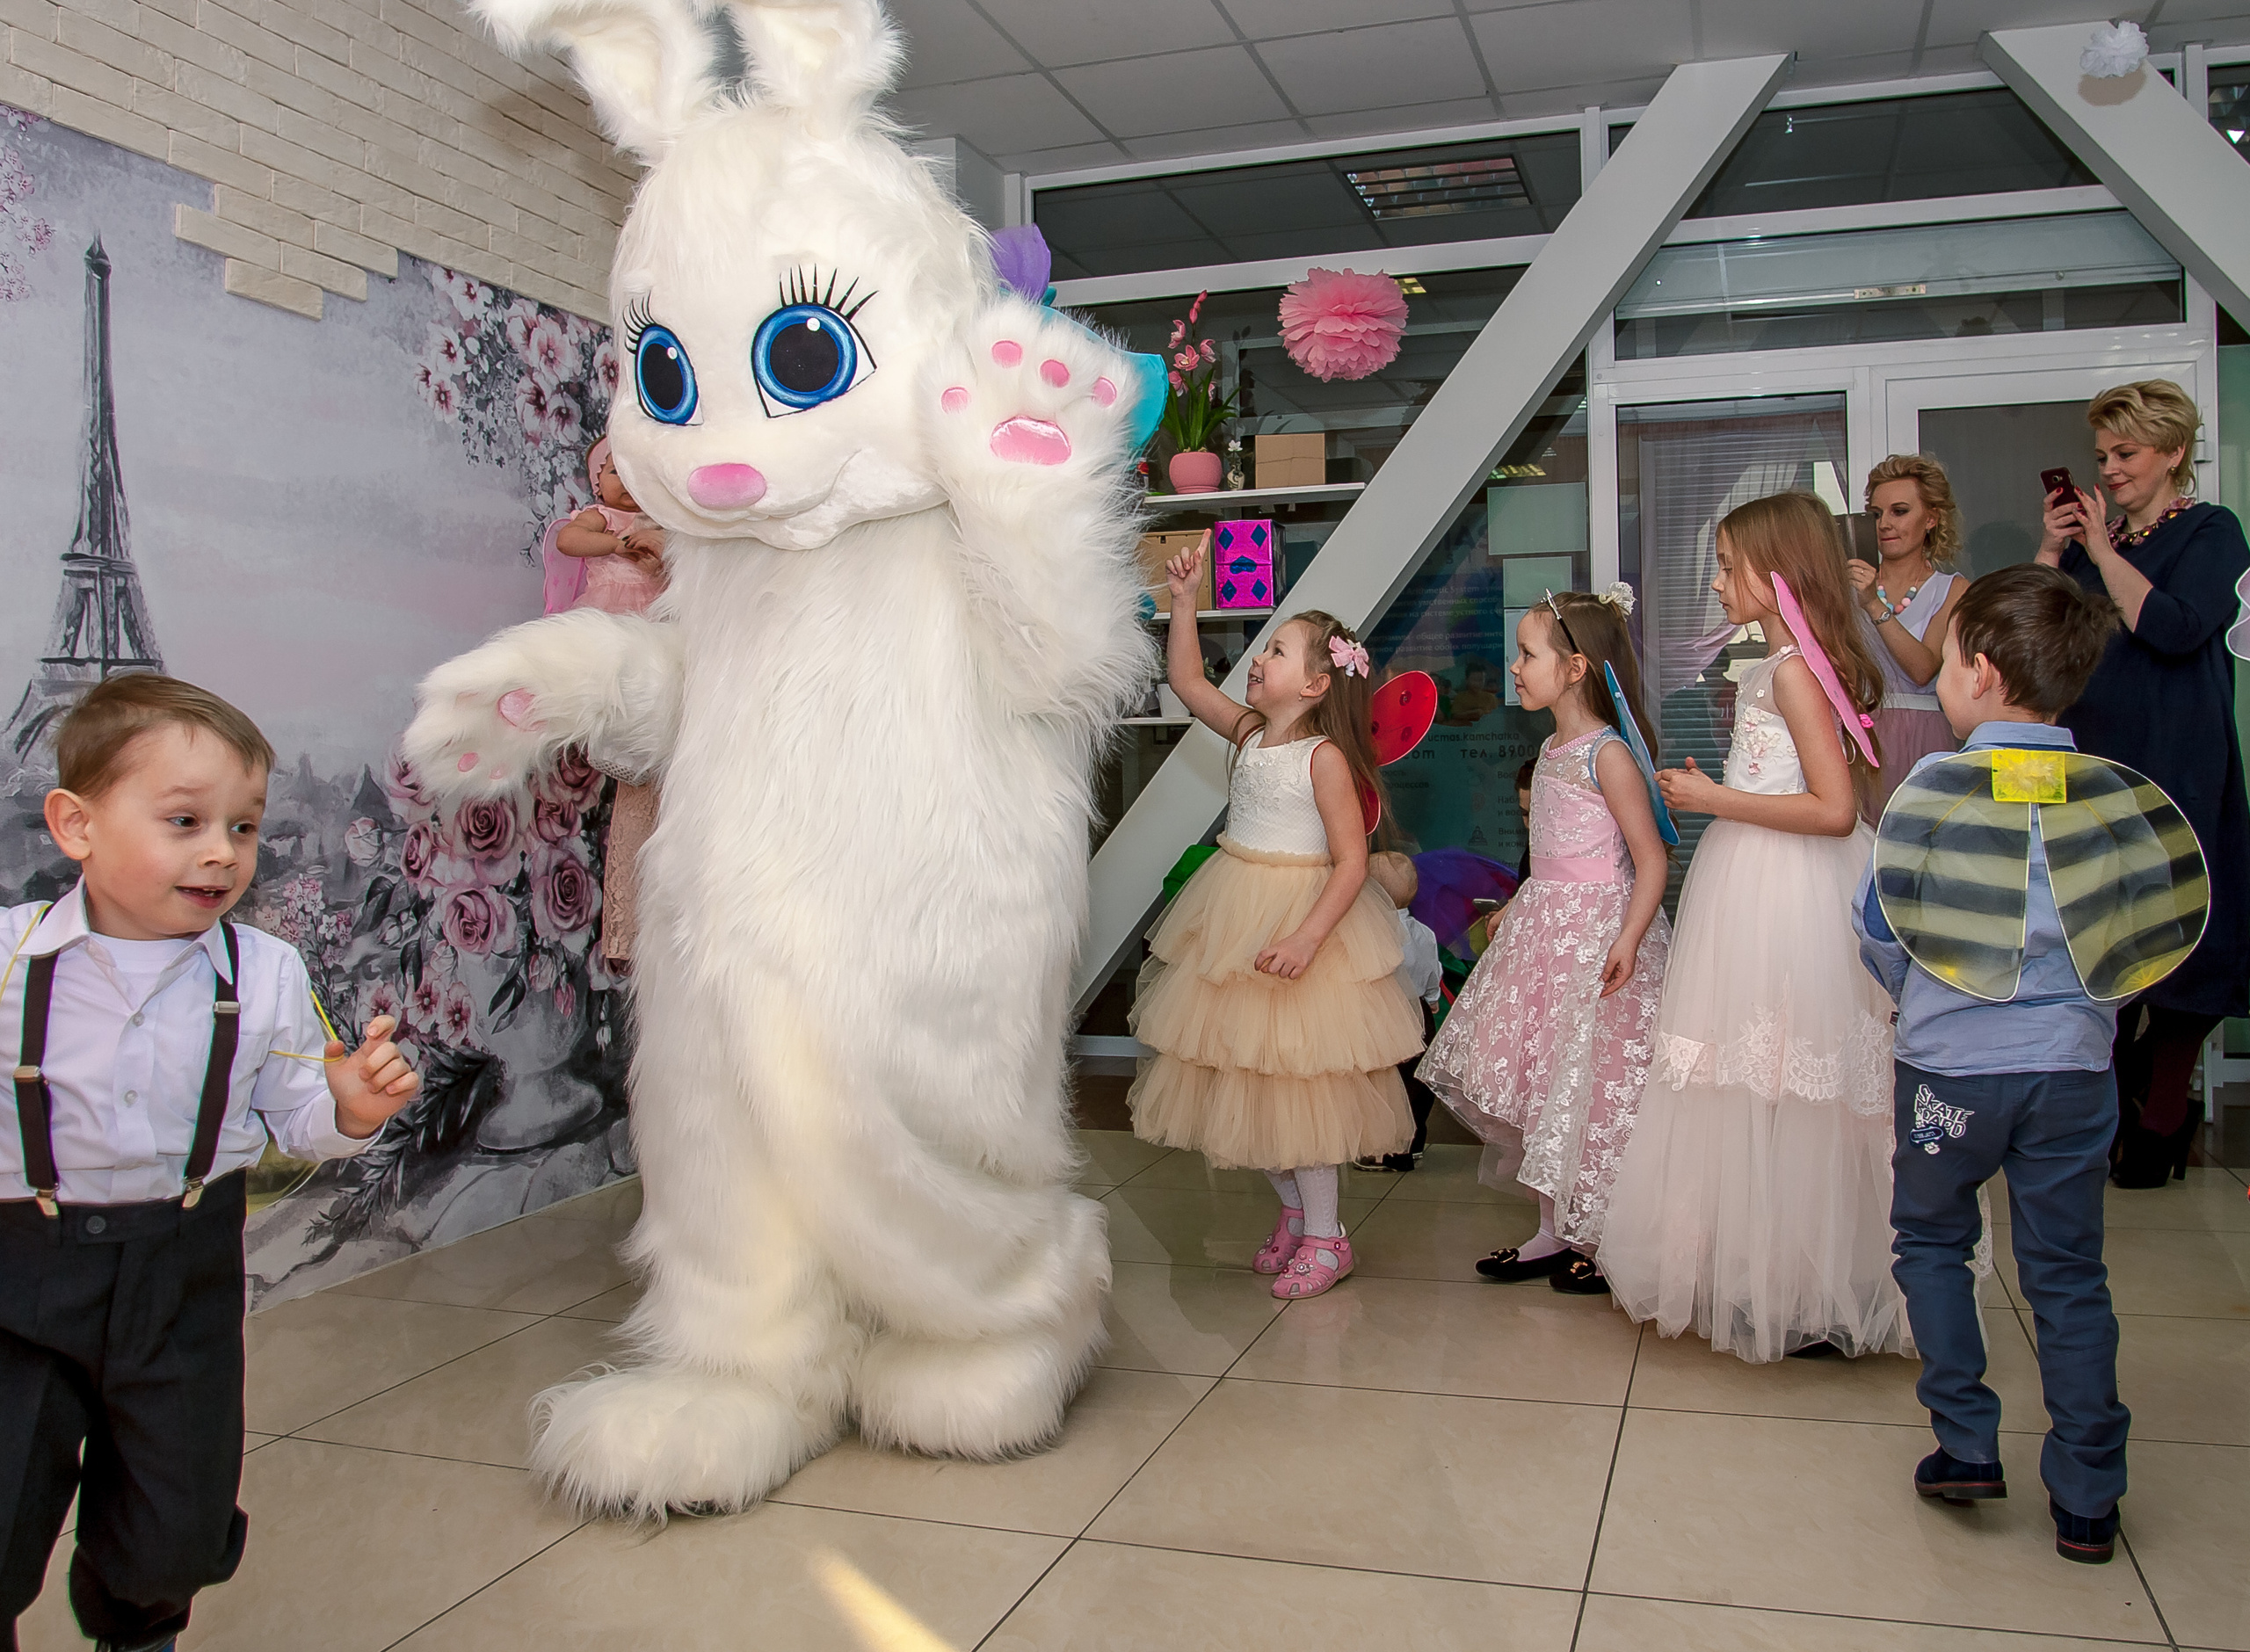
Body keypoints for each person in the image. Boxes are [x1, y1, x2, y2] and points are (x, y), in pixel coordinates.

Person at [3, 675, 421, 1652]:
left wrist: (352, 1107)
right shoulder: (12, 957)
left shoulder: (266, 972)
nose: (221, 852)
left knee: (175, 1517)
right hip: (19, 1266)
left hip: (181, 1262)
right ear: (76, 824)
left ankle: (139, 1630)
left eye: (242, 826)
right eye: (185, 819)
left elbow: (300, 1114)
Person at [1856, 565, 2149, 1565]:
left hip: (1949, 1069)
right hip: (2072, 1069)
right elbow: (2138, 931)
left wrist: (1913, 991)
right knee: (2068, 1273)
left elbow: (1881, 926)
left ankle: (1966, 1442)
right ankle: (2087, 1495)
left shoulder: (1931, 789)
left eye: (1940, 659)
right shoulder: (2109, 792)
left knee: (1934, 1244)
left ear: (1979, 671)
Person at [1598, 492, 1907, 1362]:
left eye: (1729, 564)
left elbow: (1836, 809)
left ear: (1776, 576)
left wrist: (1709, 798)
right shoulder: (1774, 665)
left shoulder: (1792, 673)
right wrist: (1725, 790)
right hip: (1760, 874)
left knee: (1788, 1078)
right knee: (1759, 1077)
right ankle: (1770, 1273)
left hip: (1786, 889)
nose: (1717, 581)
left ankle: (1805, 1287)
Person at [1129, 539, 1423, 1301]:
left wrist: (1305, 937)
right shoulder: (1251, 735)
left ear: (1318, 683)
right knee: (1241, 1080)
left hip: (1303, 921)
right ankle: (1292, 1214)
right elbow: (1188, 680)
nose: (1259, 661)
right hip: (1234, 915)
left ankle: (1329, 1237)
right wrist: (1186, 603)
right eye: (1263, 650)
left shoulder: (1324, 757)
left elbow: (1352, 862)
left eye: (1278, 652)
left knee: (1301, 1092)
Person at [1419, 588, 1673, 1295]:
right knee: (1544, 1082)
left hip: (1596, 938)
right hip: (1544, 934)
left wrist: (1629, 937)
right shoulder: (1550, 748)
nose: (1515, 669)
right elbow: (1554, 854)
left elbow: (1648, 859)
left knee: (1593, 1086)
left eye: (1528, 655)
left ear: (1575, 668)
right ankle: (1553, 1230)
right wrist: (1521, 900)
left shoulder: (1608, 755)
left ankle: (1602, 1233)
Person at [2036, 380, 2250, 1186]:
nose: (2110, 470)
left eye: (2124, 454)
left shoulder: (2212, 531)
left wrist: (2101, 552)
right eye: (2101, 457)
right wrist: (2056, 552)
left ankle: (2164, 1107)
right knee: (2099, 941)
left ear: (2169, 451)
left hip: (2179, 758)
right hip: (2095, 762)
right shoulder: (2096, 541)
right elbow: (2039, 637)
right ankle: (2113, 1100)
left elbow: (2173, 628)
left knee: (2182, 935)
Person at [544, 436, 668, 971]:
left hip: (656, 634)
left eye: (633, 472)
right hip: (611, 625)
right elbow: (569, 541)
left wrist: (658, 552)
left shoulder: (662, 526)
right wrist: (618, 545)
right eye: (613, 472)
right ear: (597, 483)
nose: (623, 482)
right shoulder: (599, 520)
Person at [1852, 453, 1969, 822]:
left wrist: (1873, 603)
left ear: (1931, 519)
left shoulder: (1954, 589)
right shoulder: (1848, 585)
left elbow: (1923, 669)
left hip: (1924, 736)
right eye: (1875, 514)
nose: (1884, 524)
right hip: (1861, 734)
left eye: (1899, 511)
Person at [1355, 851, 1445, 1174]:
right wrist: (1432, 998)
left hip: (1381, 1013)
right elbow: (1432, 971)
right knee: (1416, 1082)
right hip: (1419, 1011)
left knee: (1383, 1082)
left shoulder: (1368, 933)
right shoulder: (1423, 932)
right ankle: (1415, 1140)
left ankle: (1388, 1152)